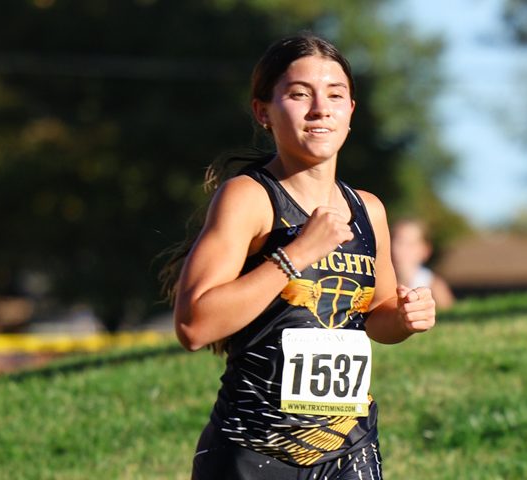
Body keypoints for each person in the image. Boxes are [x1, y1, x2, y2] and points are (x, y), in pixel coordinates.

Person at [160, 33, 436, 479]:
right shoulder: (248, 199)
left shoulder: (369, 209)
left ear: (350, 112)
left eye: (335, 95)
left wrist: (404, 318)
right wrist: (297, 253)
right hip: (254, 453)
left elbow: (377, 315)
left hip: (351, 450)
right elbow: (193, 325)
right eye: (298, 94)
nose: (320, 109)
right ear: (262, 112)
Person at [390, 218, 454, 309]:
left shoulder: (434, 286)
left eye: (409, 244)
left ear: (425, 250)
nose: (396, 249)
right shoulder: (378, 283)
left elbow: (450, 315)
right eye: (393, 242)